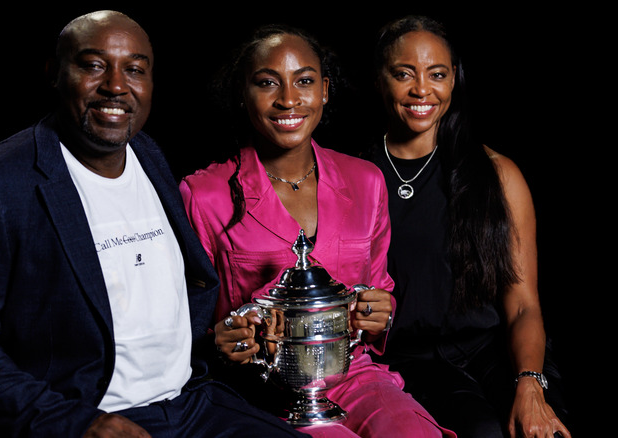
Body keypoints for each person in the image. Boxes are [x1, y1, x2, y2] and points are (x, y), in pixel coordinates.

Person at [0, 10, 312, 438]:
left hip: (189, 404)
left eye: (135, 70)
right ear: (54, 73)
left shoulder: (146, 154)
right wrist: (73, 423)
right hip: (86, 416)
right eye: (92, 65)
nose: (115, 86)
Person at [179, 24, 455, 438]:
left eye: (304, 81)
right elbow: (185, 323)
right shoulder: (203, 194)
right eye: (267, 83)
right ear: (243, 92)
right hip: (259, 388)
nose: (289, 99)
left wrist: (380, 311)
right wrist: (217, 341)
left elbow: (379, 291)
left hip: (351, 373)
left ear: (324, 90)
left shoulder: (365, 181)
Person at [365, 15, 572, 438]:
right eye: (404, 74)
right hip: (408, 361)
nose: (422, 90)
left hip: (494, 351)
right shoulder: (353, 176)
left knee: (540, 431)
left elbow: (523, 304)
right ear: (379, 79)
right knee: (484, 431)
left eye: (437, 74)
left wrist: (530, 382)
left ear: (454, 80)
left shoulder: (497, 173)